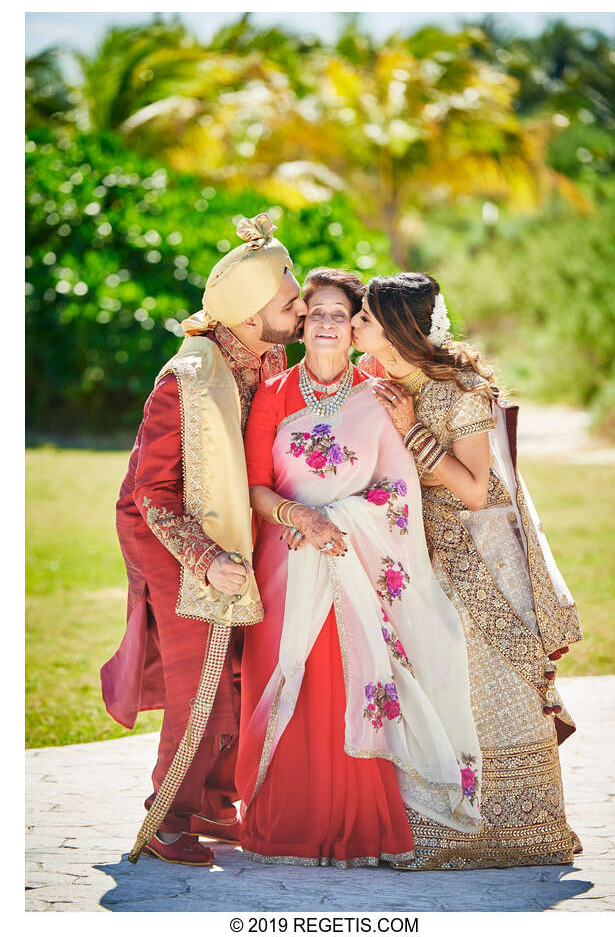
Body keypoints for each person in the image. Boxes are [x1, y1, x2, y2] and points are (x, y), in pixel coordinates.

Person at [235, 268, 483, 868]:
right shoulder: (274, 394)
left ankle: (357, 827)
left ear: (354, 329)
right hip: (286, 561)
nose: (324, 323)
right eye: (314, 312)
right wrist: (304, 518)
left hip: (357, 562)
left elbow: (398, 489)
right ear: (300, 325)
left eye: (339, 315)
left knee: (350, 681)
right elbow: (255, 488)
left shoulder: (379, 393)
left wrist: (340, 520)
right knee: (287, 676)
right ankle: (283, 824)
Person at [351, 271, 583, 869]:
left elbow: (478, 491)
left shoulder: (462, 392)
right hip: (411, 555)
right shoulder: (378, 385)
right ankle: (438, 827)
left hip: (475, 563)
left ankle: (523, 833)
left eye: (365, 319)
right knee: (431, 685)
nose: (353, 324)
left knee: (488, 688)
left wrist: (411, 432)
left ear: (397, 330)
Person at [101, 213, 307, 866]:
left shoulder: (266, 352)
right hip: (169, 536)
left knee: (243, 670)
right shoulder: (185, 379)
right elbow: (150, 494)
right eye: (291, 298)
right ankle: (167, 820)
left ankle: (219, 803)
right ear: (250, 316)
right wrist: (209, 559)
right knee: (208, 678)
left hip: (230, 530)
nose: (302, 306)